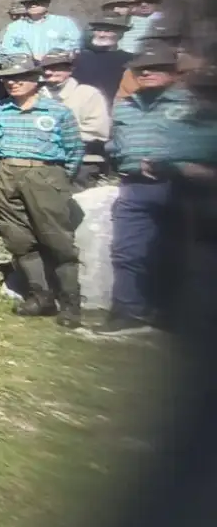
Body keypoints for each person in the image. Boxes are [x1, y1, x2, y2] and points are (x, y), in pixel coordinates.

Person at [0, 54, 86, 328]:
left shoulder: (56, 112)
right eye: (7, 78)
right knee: (18, 239)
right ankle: (40, 296)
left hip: (45, 174)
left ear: (35, 79)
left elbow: (74, 151)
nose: (12, 83)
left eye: (19, 78)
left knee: (57, 240)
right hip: (7, 173)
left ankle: (71, 303)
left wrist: (56, 179)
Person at [103, 44, 193, 334]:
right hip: (134, 186)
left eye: (157, 68)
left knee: (177, 250)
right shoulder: (126, 106)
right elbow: (115, 143)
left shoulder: (195, 105)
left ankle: (171, 312)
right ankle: (128, 310)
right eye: (141, 70)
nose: (148, 73)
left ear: (175, 72)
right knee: (127, 250)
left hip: (181, 186)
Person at [40, 50, 112, 185]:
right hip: (41, 162)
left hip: (82, 161)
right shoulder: (36, 95)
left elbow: (98, 130)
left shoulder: (88, 94)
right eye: (46, 68)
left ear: (70, 69)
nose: (49, 72)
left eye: (57, 68)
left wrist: (57, 137)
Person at [0, 0, 82, 62]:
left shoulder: (65, 23)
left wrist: (52, 56)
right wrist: (28, 57)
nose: (33, 5)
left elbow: (75, 45)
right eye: (28, 3)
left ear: (47, 3)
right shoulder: (14, 27)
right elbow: (7, 49)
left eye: (37, 2)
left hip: (57, 70)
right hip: (26, 71)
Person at [76, 17, 135, 102]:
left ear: (120, 34)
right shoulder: (79, 57)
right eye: (98, 30)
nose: (101, 34)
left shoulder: (130, 60)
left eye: (107, 31)